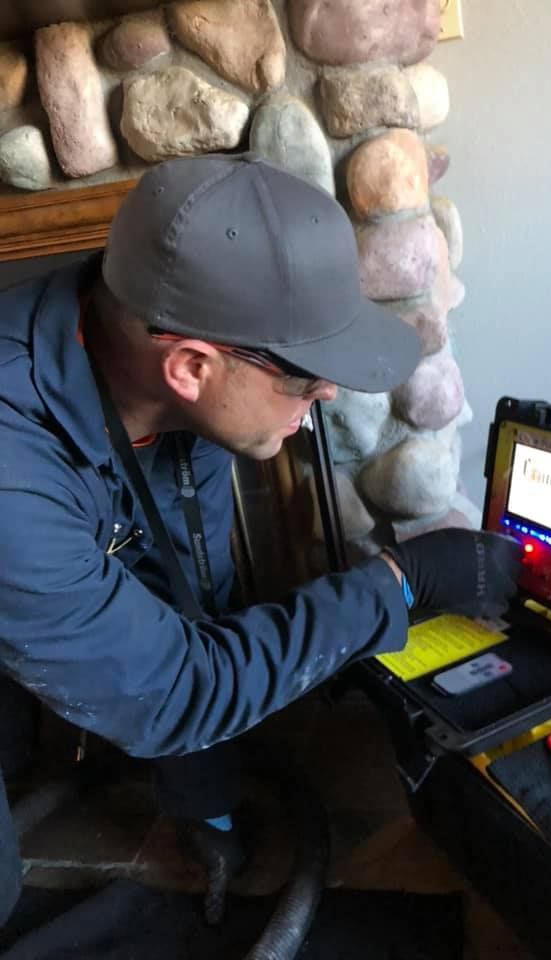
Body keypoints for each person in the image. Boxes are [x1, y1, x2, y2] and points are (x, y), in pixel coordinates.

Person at [0, 153, 522, 924]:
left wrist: (199, 786)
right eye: (304, 379)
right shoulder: (13, 470)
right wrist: (401, 582)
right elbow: (177, 686)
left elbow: (187, 594)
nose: (328, 393)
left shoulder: (158, 366)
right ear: (190, 367)